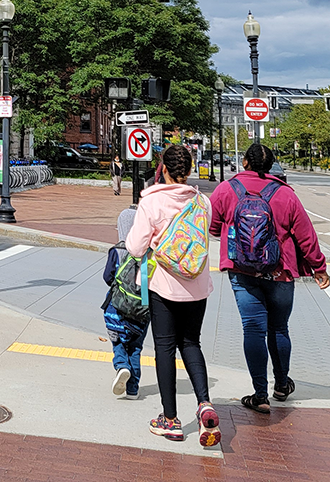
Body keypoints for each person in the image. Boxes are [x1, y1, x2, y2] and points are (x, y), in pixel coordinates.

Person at [210, 142, 330, 414]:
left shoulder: (226, 189)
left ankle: (260, 394)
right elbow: (305, 236)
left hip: (242, 271)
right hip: (281, 271)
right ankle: (281, 385)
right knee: (279, 329)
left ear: (245, 162)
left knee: (253, 329)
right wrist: (318, 267)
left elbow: (214, 227)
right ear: (272, 165)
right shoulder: (286, 194)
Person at [126, 144, 220, 446]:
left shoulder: (151, 203)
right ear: (190, 170)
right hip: (197, 286)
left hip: (164, 286)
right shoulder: (202, 202)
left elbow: (135, 247)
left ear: (163, 168)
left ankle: (170, 419)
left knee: (164, 348)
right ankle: (204, 402)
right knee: (191, 343)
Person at [102, 207, 148, 399]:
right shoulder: (148, 251)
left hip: (118, 307)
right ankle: (132, 389)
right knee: (136, 347)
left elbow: (107, 277)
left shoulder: (117, 250)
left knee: (118, 340)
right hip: (143, 309)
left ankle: (121, 365)